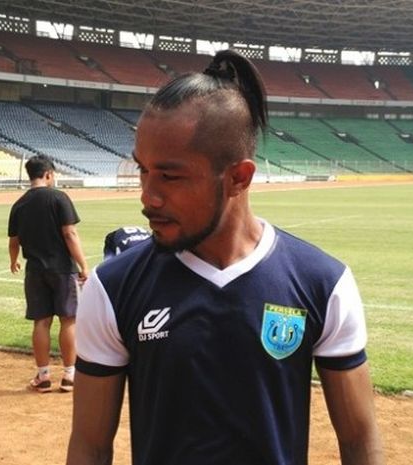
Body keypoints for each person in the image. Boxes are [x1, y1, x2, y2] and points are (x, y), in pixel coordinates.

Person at [67, 50, 384, 464]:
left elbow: (359, 439)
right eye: (143, 170)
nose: (147, 196)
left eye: (170, 176)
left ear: (239, 177)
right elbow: (90, 445)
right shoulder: (113, 288)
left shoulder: (321, 282)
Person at [8, 155, 89, 393]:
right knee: (68, 320)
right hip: (62, 269)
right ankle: (70, 376)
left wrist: (13, 262)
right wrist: (83, 265)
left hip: (35, 271)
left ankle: (43, 377)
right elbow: (70, 234)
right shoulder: (59, 197)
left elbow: (14, 241)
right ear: (48, 174)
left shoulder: (19, 204)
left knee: (41, 322)